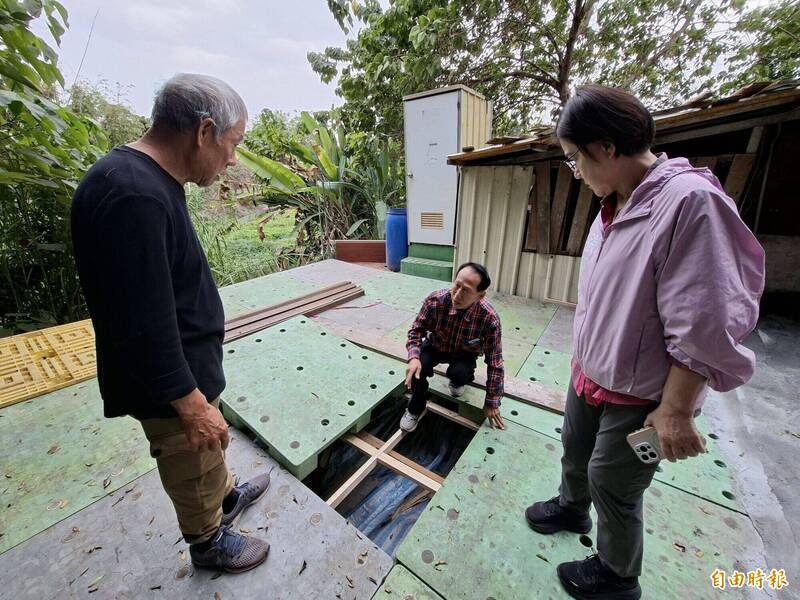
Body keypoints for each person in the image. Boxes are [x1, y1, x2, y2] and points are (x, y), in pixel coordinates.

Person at [524, 85, 764, 600]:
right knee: (575, 451)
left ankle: (616, 575)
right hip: (592, 372)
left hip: (641, 392)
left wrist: (676, 411)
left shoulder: (690, 203)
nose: (577, 172)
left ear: (606, 147)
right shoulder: (613, 202)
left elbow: (707, 315)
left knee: (616, 482)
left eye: (574, 160)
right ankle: (571, 506)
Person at [72, 74, 271, 574]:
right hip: (169, 382)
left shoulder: (146, 180)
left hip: (188, 364)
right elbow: (141, 323)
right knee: (191, 453)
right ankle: (208, 541)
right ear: (204, 131)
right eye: (233, 144)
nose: (232, 159)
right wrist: (188, 401)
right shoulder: (132, 197)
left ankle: (224, 498)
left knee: (208, 450)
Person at [402, 262, 506, 432]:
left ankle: (457, 381)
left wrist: (492, 402)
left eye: (466, 290)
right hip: (436, 345)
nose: (457, 294)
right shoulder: (435, 300)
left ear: (480, 296)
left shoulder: (489, 319)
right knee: (417, 370)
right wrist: (413, 357)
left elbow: (495, 362)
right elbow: (416, 330)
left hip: (464, 353)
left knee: (460, 373)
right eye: (457, 285)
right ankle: (414, 409)